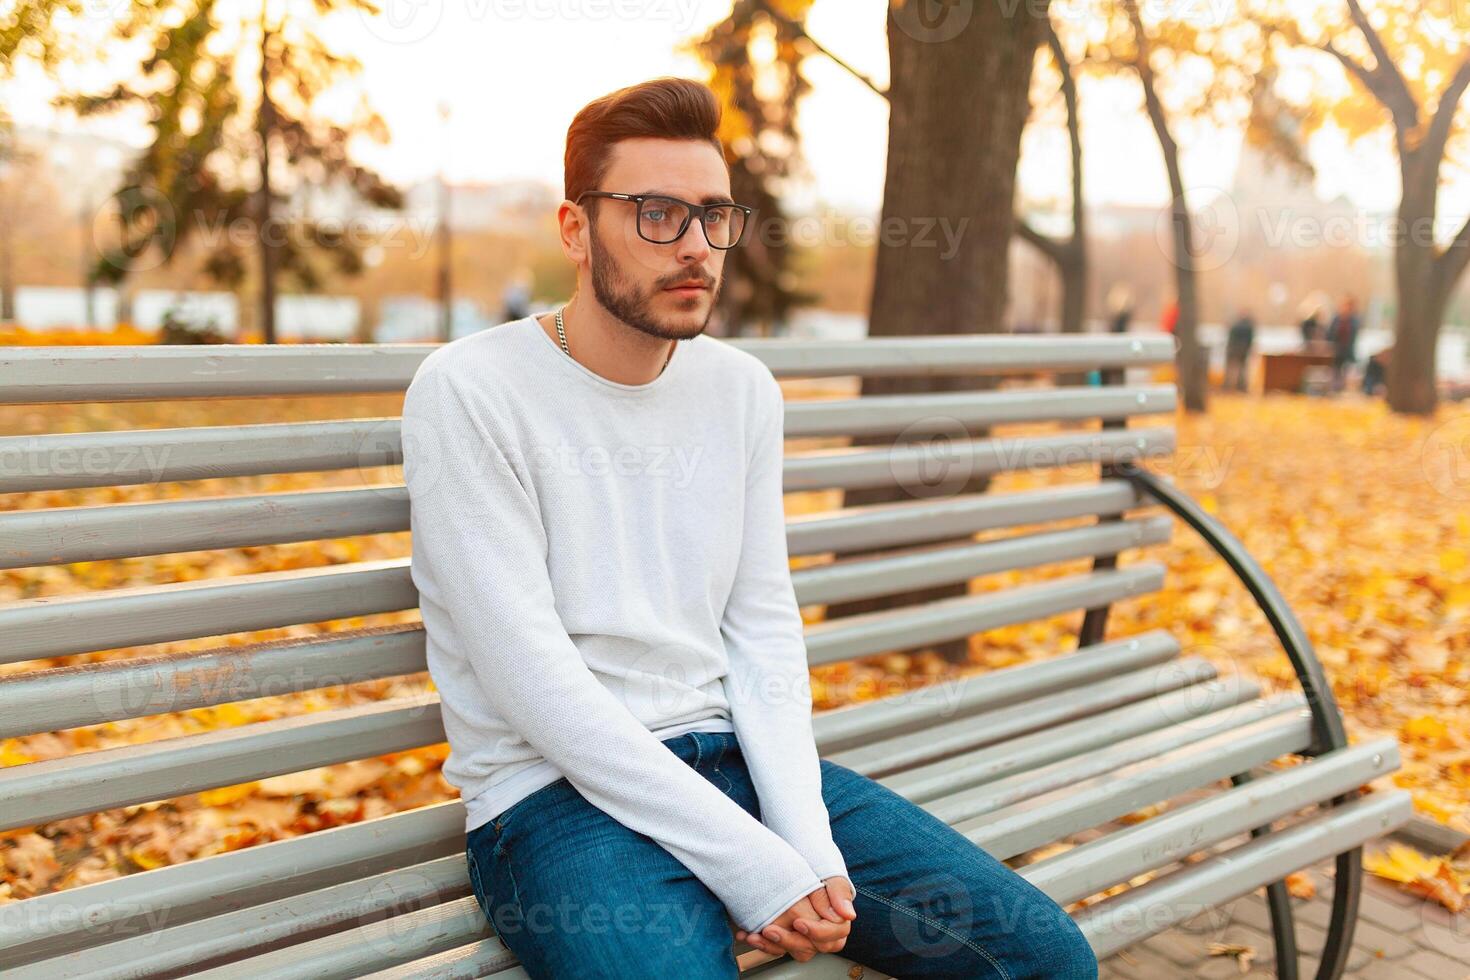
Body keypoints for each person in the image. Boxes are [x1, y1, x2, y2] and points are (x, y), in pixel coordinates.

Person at [399, 77, 1098, 980]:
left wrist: (805, 841)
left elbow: (761, 624)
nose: (695, 247)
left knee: (1044, 960)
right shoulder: (470, 392)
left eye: (713, 216)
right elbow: (536, 686)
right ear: (574, 229)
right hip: (554, 805)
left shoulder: (739, 391)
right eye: (655, 214)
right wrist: (756, 864)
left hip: (735, 763)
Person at [1326, 296, 1360, 393]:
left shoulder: (1354, 320)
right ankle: (1334, 388)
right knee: (1335, 370)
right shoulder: (1336, 319)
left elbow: (1353, 337)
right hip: (1335, 349)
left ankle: (1342, 388)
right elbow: (1330, 334)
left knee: (1346, 371)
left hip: (1347, 350)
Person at [1224, 309, 1255, 392]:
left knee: (1233, 369)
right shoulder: (1249, 325)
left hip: (1235, 349)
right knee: (1241, 369)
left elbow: (1232, 337)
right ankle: (1240, 387)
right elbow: (1251, 339)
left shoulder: (1237, 325)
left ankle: (1229, 386)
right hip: (1243, 350)